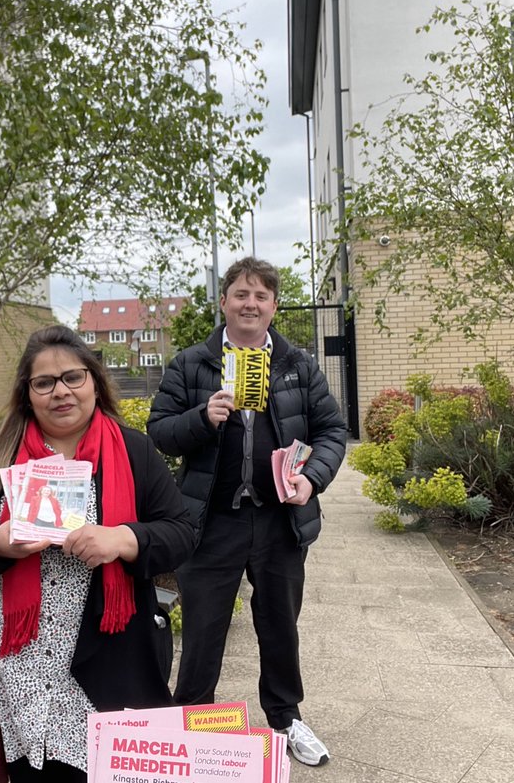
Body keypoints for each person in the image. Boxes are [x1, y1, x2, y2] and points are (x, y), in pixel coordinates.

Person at [0, 325, 194, 782]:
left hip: (111, 662)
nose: (61, 391)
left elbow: (182, 532)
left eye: (73, 377)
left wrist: (122, 540)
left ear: (94, 380)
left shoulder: (133, 451)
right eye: (44, 382)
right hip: (20, 669)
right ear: (27, 393)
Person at [147, 257, 348, 768]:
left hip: (279, 520)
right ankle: (191, 725)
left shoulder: (297, 364)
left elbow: (330, 431)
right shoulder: (192, 363)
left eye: (260, 296)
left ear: (274, 306)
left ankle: (285, 717)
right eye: (240, 294)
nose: (250, 304)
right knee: (203, 629)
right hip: (212, 522)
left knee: (281, 624)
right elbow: (159, 430)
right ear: (223, 302)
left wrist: (312, 478)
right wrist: (201, 417)